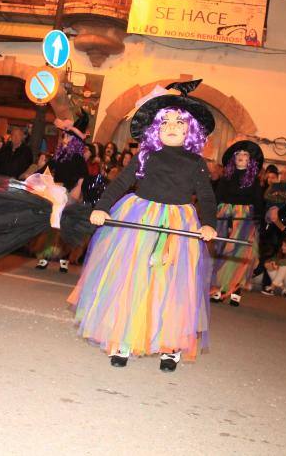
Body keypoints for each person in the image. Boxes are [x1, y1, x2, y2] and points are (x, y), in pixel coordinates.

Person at [67, 80, 217, 372]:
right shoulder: (146, 155)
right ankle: (123, 336)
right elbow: (121, 182)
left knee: (172, 283)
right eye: (165, 123)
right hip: (140, 217)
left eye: (179, 122)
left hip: (178, 222)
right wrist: (101, 207)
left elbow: (208, 196)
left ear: (191, 130)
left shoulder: (196, 162)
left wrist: (208, 223)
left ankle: (170, 344)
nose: (171, 126)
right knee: (131, 277)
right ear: (155, 129)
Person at [209, 140, 264, 306]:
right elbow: (217, 197)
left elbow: (258, 202)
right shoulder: (226, 178)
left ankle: (235, 289)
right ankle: (217, 289)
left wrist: (256, 219)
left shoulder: (253, 180)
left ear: (250, 160)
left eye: (245, 155)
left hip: (244, 220)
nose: (241, 157)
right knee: (220, 251)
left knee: (239, 254)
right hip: (224, 217)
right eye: (239, 154)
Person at [34, 114, 89, 273]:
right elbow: (47, 169)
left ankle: (63, 260)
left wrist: (75, 193)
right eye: (64, 136)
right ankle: (45, 257)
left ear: (75, 141)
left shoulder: (78, 158)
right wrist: (33, 176)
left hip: (69, 195)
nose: (64, 139)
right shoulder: (60, 155)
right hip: (56, 193)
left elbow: (82, 178)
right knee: (52, 226)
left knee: (65, 228)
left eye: (67, 136)